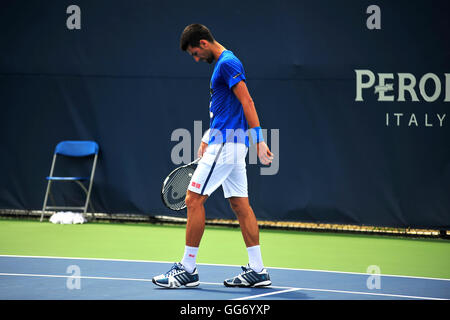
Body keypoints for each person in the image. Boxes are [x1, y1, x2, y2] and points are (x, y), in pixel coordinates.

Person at [152, 24, 274, 288]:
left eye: (195, 53)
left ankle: (187, 269)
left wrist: (260, 141)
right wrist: (207, 137)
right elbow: (226, 110)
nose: (196, 59)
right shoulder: (225, 63)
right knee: (241, 206)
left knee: (193, 199)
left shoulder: (228, 63)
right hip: (228, 143)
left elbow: (247, 102)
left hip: (228, 143)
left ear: (204, 43)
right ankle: (258, 270)